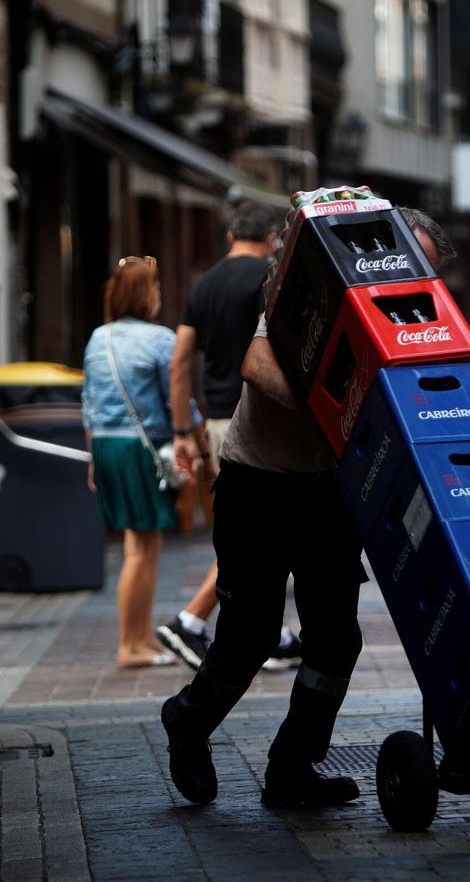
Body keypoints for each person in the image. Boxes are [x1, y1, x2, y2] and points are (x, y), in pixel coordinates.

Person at [161, 207, 455, 807]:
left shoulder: (412, 317)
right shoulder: (317, 292)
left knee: (336, 640)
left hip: (328, 492)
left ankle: (292, 768)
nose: (415, 279)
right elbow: (255, 365)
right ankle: (188, 720)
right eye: (412, 263)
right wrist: (334, 411)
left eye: (426, 273)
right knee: (250, 636)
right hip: (258, 483)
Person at [159, 201, 303, 672]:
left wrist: (183, 431)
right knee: (257, 528)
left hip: (216, 420)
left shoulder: (204, 283)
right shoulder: (269, 278)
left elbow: (179, 362)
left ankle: (267, 632)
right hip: (256, 420)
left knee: (256, 528)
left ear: (229, 238)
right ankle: (192, 620)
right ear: (273, 240)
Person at [82, 256, 180, 669]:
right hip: (141, 447)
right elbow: (176, 398)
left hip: (107, 446)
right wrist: (188, 439)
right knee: (142, 549)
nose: (158, 293)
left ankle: (142, 637)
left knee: (140, 546)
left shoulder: (97, 338)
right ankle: (129, 645)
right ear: (143, 292)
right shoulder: (159, 339)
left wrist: (93, 457)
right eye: (154, 286)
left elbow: (88, 404)